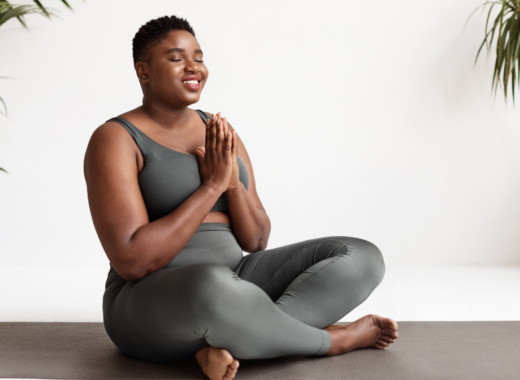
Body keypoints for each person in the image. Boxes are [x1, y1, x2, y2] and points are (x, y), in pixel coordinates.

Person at [83, 15, 399, 380]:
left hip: (237, 282)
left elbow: (257, 239)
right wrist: (211, 187)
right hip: (150, 301)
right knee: (212, 286)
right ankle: (330, 341)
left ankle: (226, 345)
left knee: (361, 257)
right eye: (176, 57)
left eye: (199, 57)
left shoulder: (218, 130)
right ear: (144, 70)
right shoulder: (116, 139)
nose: (193, 67)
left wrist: (232, 186)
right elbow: (133, 262)